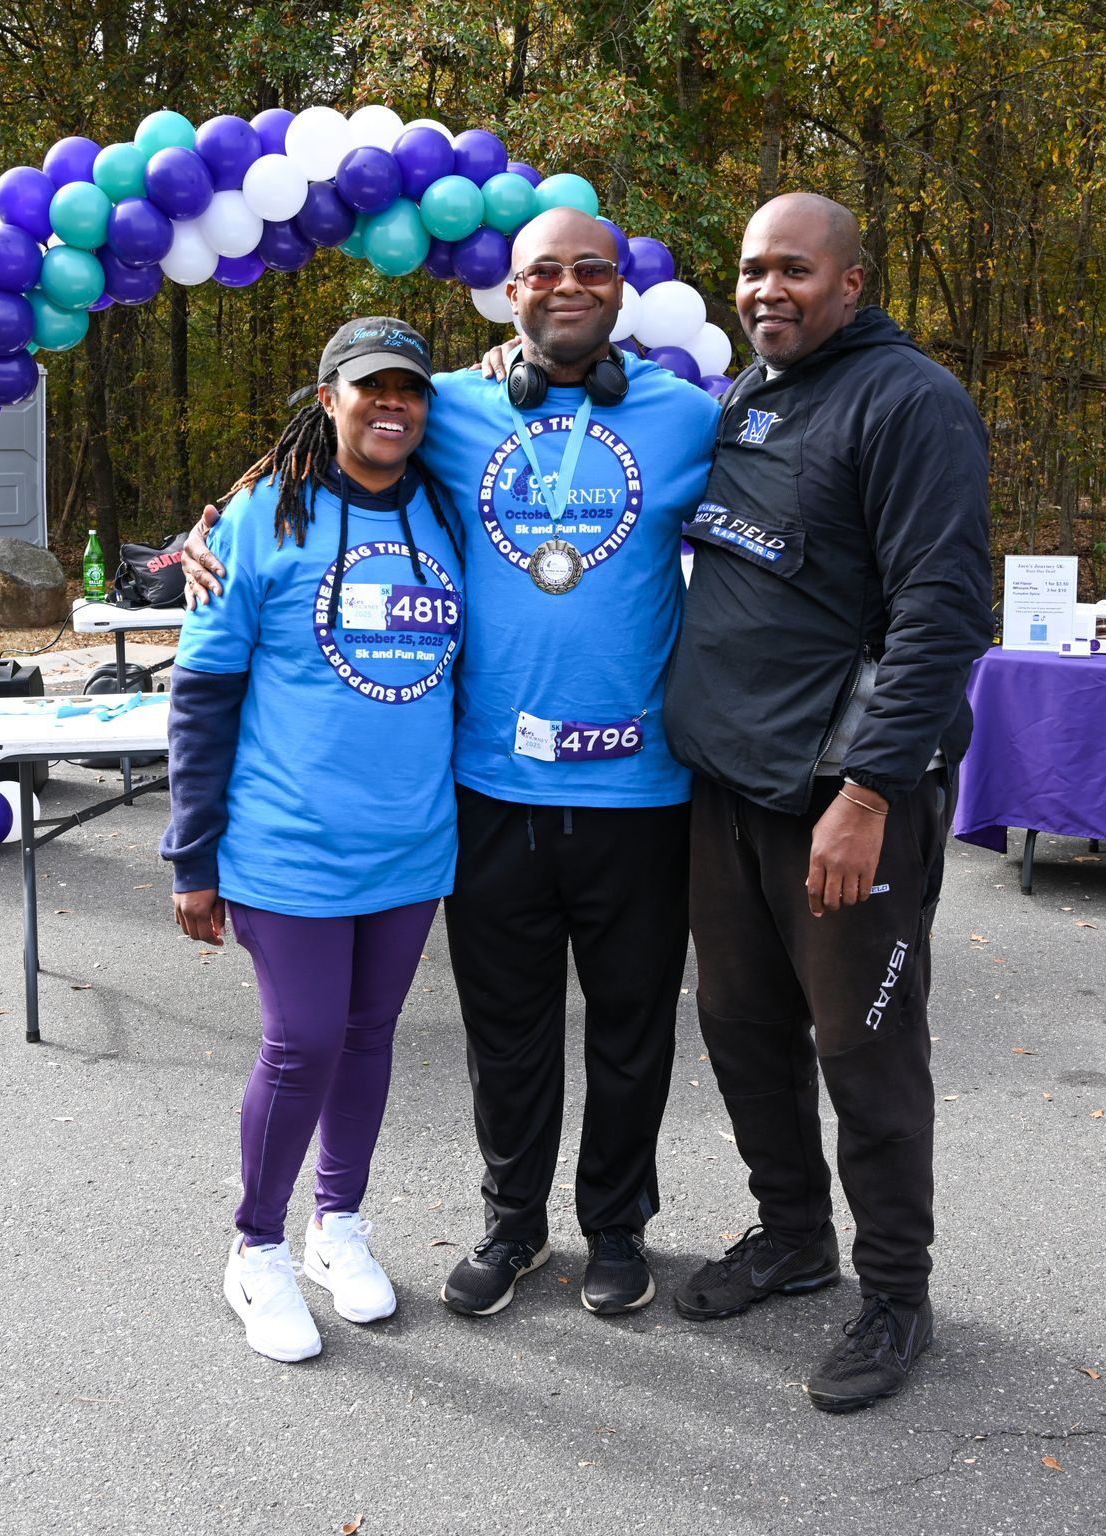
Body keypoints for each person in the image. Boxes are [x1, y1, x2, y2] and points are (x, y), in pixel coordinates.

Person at [182, 211, 721, 1319]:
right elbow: (328, 446)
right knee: (507, 1033)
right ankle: (512, 1225)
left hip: (640, 789)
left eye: (591, 269)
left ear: (621, 289)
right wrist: (219, 521)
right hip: (489, 792)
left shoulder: (688, 416)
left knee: (632, 1030)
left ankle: (617, 1227)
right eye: (542, 271)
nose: (567, 286)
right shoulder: (457, 407)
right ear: (508, 294)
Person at [662, 193, 994, 1414]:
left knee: (864, 1050)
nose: (767, 290)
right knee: (743, 1031)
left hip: (844, 802)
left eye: (794, 270)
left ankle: (896, 1291)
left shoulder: (912, 404)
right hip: (727, 787)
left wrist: (868, 792)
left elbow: (942, 614)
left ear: (852, 282)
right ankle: (795, 1234)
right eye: (752, 269)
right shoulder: (753, 392)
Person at [160, 317, 465, 1362]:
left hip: (411, 843)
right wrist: (192, 853)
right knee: (304, 1043)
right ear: (328, 398)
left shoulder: (444, 509)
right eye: (370, 386)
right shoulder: (260, 516)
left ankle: (338, 1227)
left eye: (409, 389)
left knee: (370, 1036)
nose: (393, 404)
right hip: (288, 843)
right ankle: (256, 1247)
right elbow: (203, 696)